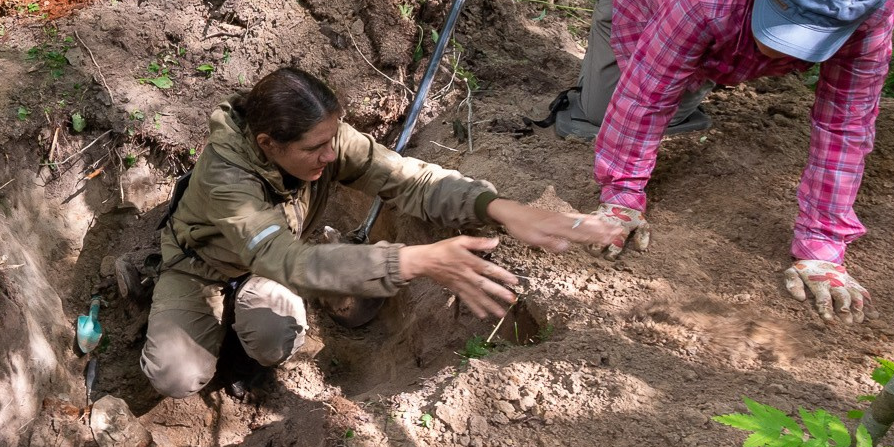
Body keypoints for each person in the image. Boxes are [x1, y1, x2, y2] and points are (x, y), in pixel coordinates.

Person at [143, 67, 620, 399]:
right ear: (268, 145)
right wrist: (414, 261)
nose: (332, 155)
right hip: (203, 266)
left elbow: (408, 178)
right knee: (176, 376)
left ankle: (252, 328)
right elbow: (289, 261)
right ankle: (170, 297)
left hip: (263, 268)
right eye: (316, 148)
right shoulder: (228, 181)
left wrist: (496, 206)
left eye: (335, 138)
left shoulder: (325, 140)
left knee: (274, 341)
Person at [542, 0, 894, 325]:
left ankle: (701, 62)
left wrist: (822, 249)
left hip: (711, 8)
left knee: (681, 83)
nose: (776, 48)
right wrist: (621, 198)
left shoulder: (869, 21)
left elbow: (845, 128)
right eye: (778, 23)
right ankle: (694, 59)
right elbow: (645, 95)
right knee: (603, 111)